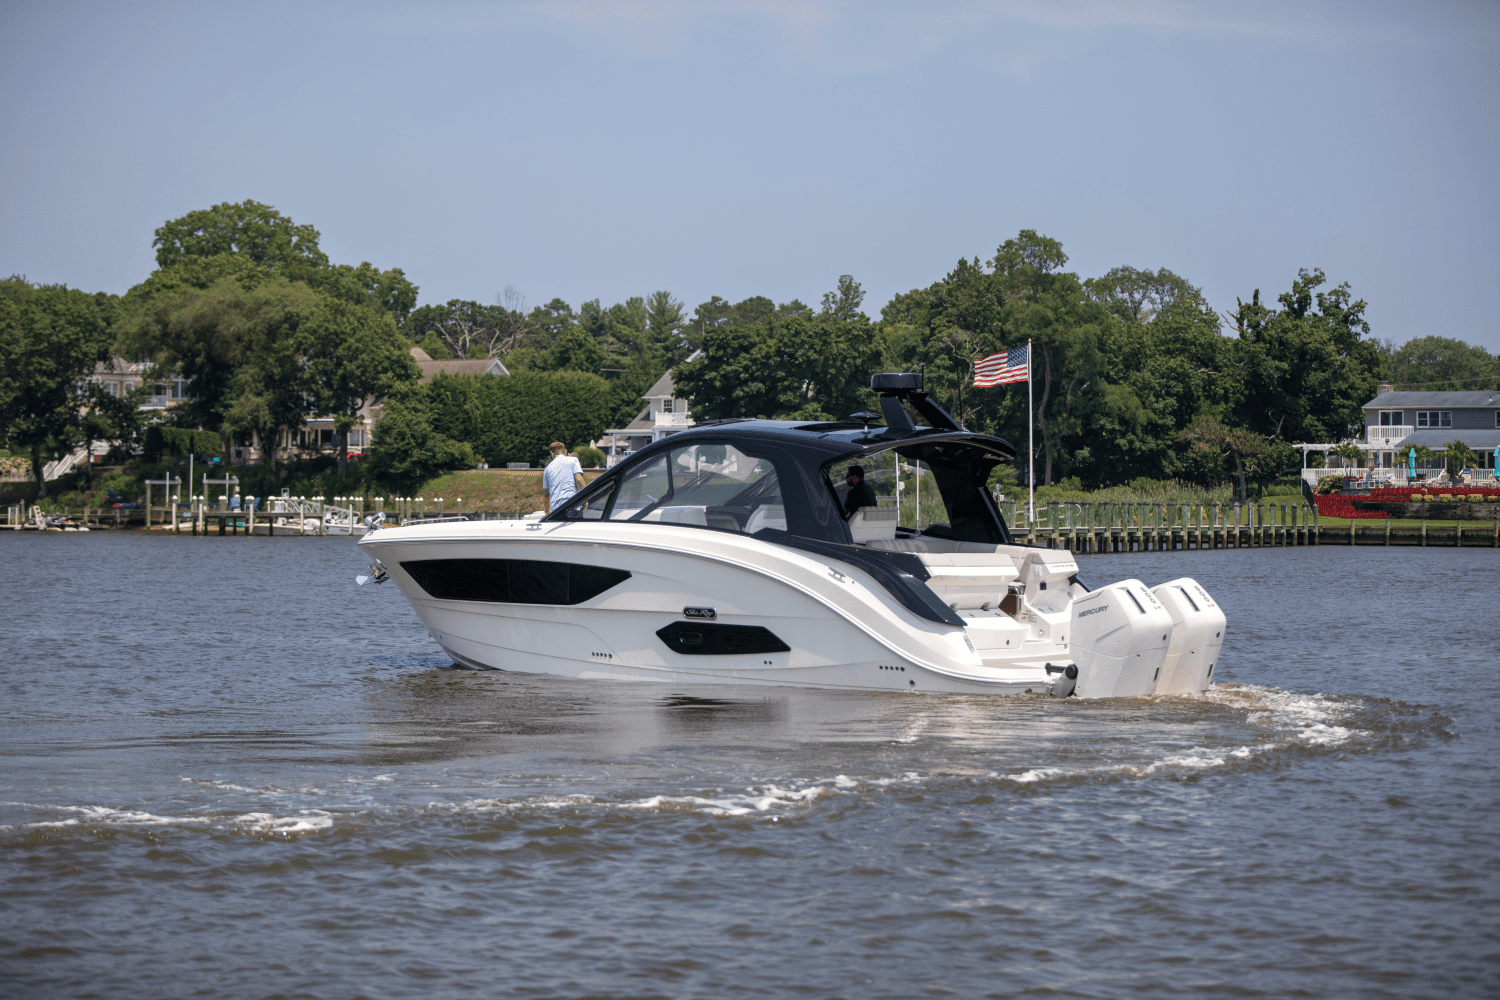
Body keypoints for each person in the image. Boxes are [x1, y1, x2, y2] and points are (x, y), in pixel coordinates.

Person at [542, 441, 587, 513]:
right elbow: (579, 479)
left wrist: (547, 513)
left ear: (552, 453)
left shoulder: (547, 469)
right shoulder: (573, 460)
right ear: (565, 451)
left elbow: (546, 494)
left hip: (555, 510)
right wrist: (585, 501)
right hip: (572, 505)